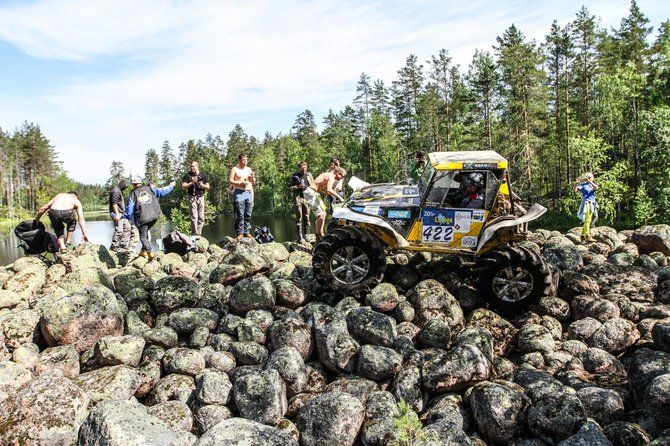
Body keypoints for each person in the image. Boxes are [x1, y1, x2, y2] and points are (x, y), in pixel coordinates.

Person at [124, 177, 175, 260]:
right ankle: (143, 251)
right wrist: (171, 186)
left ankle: (149, 252)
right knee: (146, 232)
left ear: (133, 185)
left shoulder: (133, 193)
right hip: (154, 217)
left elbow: (130, 209)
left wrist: (125, 216)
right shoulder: (150, 188)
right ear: (140, 183)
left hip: (143, 219)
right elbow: (161, 192)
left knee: (143, 237)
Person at [304, 166, 347, 242]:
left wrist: (326, 191)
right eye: (341, 175)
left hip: (314, 193)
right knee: (321, 214)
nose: (341, 178)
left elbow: (324, 188)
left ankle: (320, 233)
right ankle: (319, 235)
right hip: (310, 192)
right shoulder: (331, 176)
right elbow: (329, 189)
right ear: (337, 172)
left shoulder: (328, 176)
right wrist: (340, 198)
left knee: (323, 213)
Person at [228, 153, 256, 239]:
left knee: (248, 214)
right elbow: (230, 180)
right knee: (240, 214)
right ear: (239, 160)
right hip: (239, 192)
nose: (245, 161)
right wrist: (239, 183)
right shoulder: (235, 169)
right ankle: (240, 232)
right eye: (243, 160)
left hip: (249, 192)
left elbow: (253, 182)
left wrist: (252, 178)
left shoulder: (249, 169)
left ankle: (246, 231)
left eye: (246, 160)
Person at [181, 160, 210, 239]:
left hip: (201, 197)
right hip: (192, 197)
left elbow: (208, 187)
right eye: (191, 166)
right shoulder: (187, 175)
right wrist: (192, 183)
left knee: (201, 217)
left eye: (193, 166)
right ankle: (194, 234)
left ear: (197, 166)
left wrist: (201, 184)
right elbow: (183, 186)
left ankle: (199, 234)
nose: (192, 168)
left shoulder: (203, 175)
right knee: (194, 216)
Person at [290, 160, 314, 243]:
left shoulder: (309, 175)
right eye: (302, 168)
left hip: (307, 199)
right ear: (299, 167)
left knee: (307, 217)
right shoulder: (294, 176)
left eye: (305, 167)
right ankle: (300, 236)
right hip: (298, 198)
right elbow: (290, 188)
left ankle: (306, 235)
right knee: (299, 218)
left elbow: (313, 186)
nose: (304, 169)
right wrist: (298, 186)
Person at [574, 172, 599, 243]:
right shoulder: (583, 185)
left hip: (592, 203)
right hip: (586, 202)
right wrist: (576, 183)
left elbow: (596, 188)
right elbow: (575, 191)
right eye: (587, 177)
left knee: (588, 220)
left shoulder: (592, 184)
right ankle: (588, 236)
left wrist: (589, 181)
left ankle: (582, 235)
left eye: (590, 177)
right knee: (587, 220)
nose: (588, 179)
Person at [109, 179, 132, 252]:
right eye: (125, 186)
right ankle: (114, 246)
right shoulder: (116, 191)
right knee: (119, 230)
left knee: (127, 227)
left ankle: (123, 245)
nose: (126, 188)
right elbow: (114, 204)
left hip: (122, 214)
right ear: (122, 184)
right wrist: (117, 214)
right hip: (117, 213)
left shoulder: (119, 190)